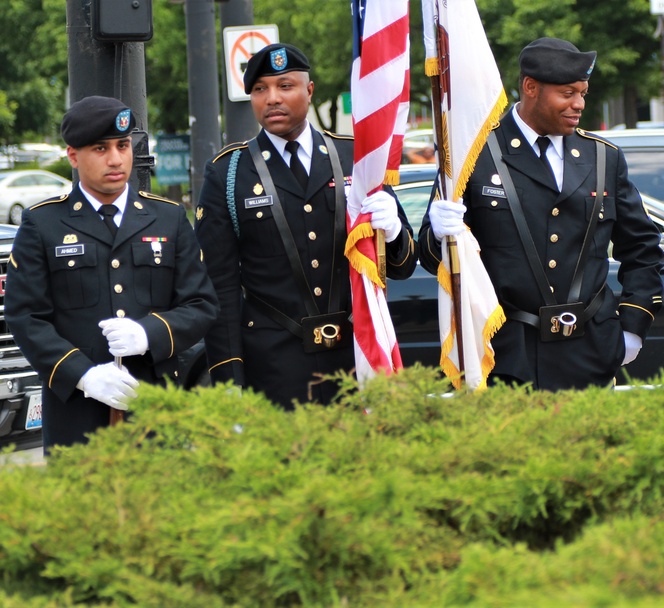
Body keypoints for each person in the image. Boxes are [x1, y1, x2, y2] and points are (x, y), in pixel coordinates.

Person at [418, 37, 664, 391]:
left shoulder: (602, 157)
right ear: (531, 88)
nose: (578, 104)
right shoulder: (475, 154)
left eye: (583, 93)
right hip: (506, 353)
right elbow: (430, 256)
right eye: (567, 93)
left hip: (590, 350)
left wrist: (632, 327)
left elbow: (642, 248)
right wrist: (441, 234)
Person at [195, 43, 417, 410]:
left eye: (285, 86)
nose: (272, 99)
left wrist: (393, 234)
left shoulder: (356, 158)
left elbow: (401, 266)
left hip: (354, 356)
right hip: (272, 363)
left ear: (309, 90)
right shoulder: (228, 173)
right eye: (260, 89)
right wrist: (228, 379)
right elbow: (220, 287)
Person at [4, 96, 219, 452]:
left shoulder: (167, 218)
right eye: (100, 148)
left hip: (154, 408)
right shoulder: (43, 223)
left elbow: (200, 304)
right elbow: (25, 316)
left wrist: (148, 333)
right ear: (73, 156)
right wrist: (82, 375)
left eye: (123, 145)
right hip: (76, 414)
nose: (116, 159)